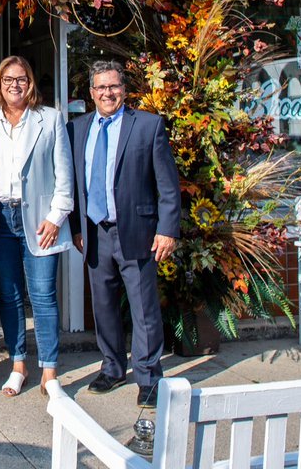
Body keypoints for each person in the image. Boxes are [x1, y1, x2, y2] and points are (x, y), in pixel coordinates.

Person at [67, 59, 180, 408]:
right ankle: (113, 368)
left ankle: (148, 377)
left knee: (143, 307)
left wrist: (167, 229)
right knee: (103, 306)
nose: (107, 93)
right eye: (100, 87)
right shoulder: (77, 129)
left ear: (124, 90)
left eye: (113, 86)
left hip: (137, 230)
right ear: (90, 92)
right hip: (94, 232)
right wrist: (76, 227)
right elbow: (72, 184)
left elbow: (168, 185)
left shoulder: (148, 126)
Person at [0, 56, 73, 397]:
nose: (15, 85)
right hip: (0, 219)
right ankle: (17, 365)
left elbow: (64, 176)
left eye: (22, 79)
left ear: (31, 84)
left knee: (43, 296)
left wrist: (56, 216)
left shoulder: (50, 119)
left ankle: (50, 369)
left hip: (41, 221)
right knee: (10, 297)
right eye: (8, 80)